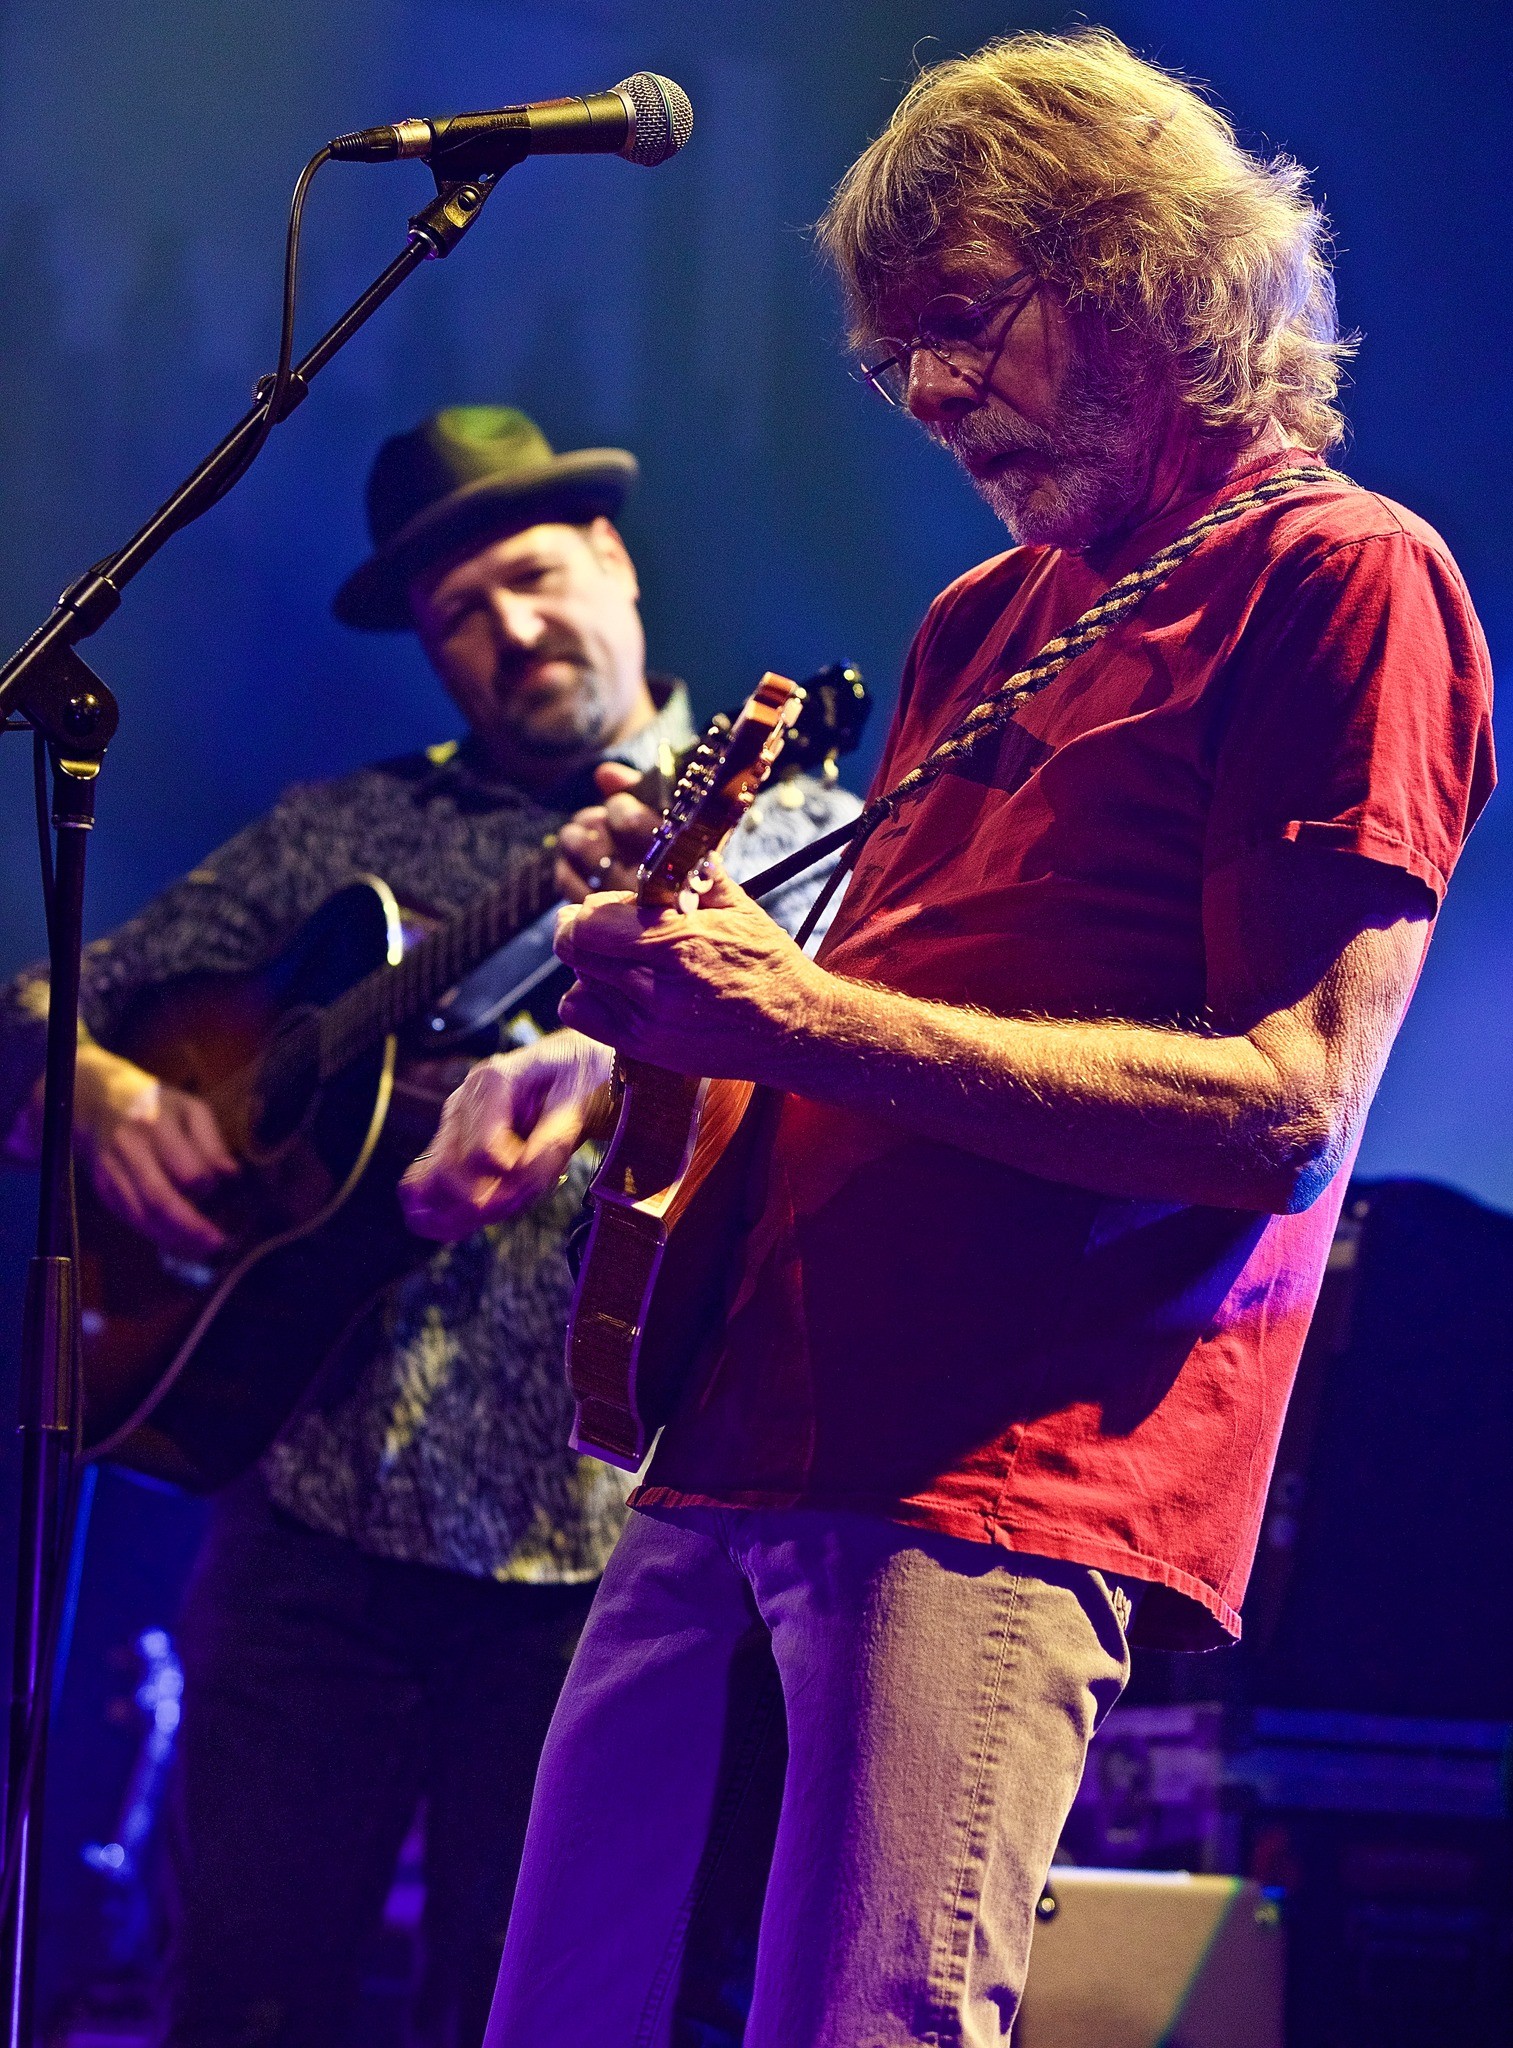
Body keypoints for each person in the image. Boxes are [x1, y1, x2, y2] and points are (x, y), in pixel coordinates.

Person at [401, 31, 1496, 2048]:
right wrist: (651, 1051)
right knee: (553, 2012)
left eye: (964, 322)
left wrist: (792, 1007)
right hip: (730, 1432)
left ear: (1152, 271)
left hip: (994, 1468)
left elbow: (1282, 1108)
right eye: (893, 352)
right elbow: (852, 1033)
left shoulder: (1347, 578)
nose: (925, 390)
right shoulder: (982, 619)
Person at [0, 406, 857, 2047]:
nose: (508, 631)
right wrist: (107, 1100)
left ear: (610, 560)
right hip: (310, 1533)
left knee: (550, 2011)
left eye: (531, 577)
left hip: (618, 1561)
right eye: (457, 614)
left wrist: (618, 1076)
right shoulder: (344, 833)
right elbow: (40, 1004)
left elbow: (843, 1119)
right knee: (236, 2003)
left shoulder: (793, 836)